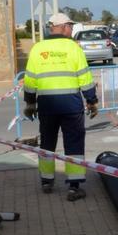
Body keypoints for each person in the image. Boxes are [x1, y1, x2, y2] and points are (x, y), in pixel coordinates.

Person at [23, 11, 99, 201]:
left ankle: (47, 181)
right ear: (63, 27)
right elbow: (85, 77)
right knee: (73, 143)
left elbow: (30, 80)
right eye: (70, 26)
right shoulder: (74, 48)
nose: (72, 29)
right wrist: (92, 101)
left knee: (47, 142)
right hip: (71, 105)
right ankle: (74, 187)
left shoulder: (38, 49)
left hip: (47, 105)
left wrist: (30, 103)